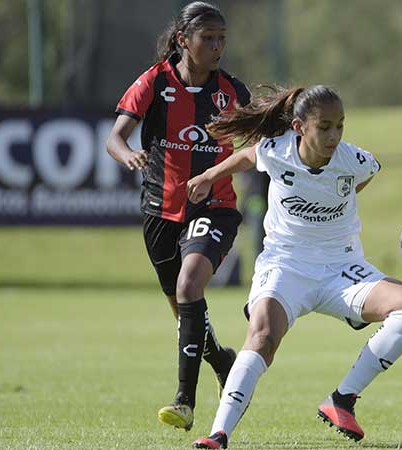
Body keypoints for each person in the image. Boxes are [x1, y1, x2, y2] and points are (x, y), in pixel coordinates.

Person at [186, 85, 402, 449]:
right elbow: (248, 156)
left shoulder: (354, 161)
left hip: (342, 268)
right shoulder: (277, 150)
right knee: (264, 335)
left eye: (340, 126)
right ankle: (219, 434)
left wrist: (340, 196)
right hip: (286, 265)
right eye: (325, 127)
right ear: (299, 126)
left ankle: (342, 400)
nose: (334, 136)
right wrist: (208, 176)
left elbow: (366, 174)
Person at [105, 1, 251, 432]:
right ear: (183, 40)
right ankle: (222, 359)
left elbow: (262, 136)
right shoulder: (155, 81)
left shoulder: (231, 90)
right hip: (159, 210)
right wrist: (128, 153)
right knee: (184, 308)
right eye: (209, 38)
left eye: (222, 38)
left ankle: (184, 402)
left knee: (190, 285)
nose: (217, 46)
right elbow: (115, 137)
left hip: (215, 207)